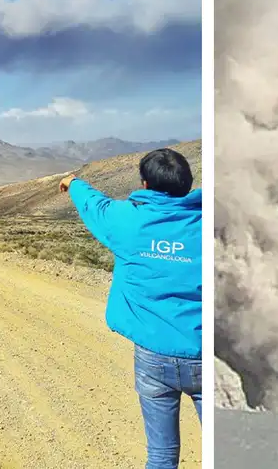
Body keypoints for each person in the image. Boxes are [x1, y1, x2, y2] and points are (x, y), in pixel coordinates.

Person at [59, 147, 202, 469]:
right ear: (187, 183)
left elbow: (93, 204)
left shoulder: (127, 221)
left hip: (153, 355)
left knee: (162, 454)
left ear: (145, 184)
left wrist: (72, 182)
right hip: (205, 353)